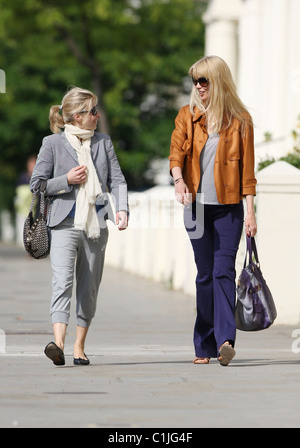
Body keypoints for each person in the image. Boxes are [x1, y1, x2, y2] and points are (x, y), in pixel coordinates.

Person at [30, 86, 128, 366]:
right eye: (92, 111)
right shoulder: (52, 144)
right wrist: (66, 180)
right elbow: (36, 185)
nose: (97, 115)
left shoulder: (103, 142)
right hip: (63, 223)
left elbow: (118, 179)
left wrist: (121, 208)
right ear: (76, 116)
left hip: (96, 223)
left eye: (96, 110)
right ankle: (58, 344)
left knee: (89, 287)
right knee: (62, 282)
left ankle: (79, 347)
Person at [169, 56, 257, 366]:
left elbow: (247, 173)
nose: (198, 86)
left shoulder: (241, 120)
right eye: (194, 81)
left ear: (218, 82)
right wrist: (179, 181)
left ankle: (225, 341)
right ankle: (203, 343)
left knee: (224, 272)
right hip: (195, 209)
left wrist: (250, 212)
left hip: (229, 210)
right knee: (204, 274)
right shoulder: (186, 116)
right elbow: (176, 153)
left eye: (203, 81)